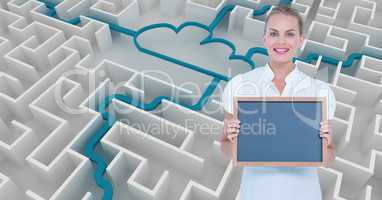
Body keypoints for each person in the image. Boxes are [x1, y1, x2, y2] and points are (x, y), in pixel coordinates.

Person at [220, 6, 336, 200]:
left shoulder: (321, 91)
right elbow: (224, 147)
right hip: (256, 194)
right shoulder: (239, 85)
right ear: (264, 38)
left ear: (300, 40)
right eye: (274, 33)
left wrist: (328, 143)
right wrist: (234, 141)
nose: (281, 41)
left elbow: (329, 158)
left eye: (289, 34)